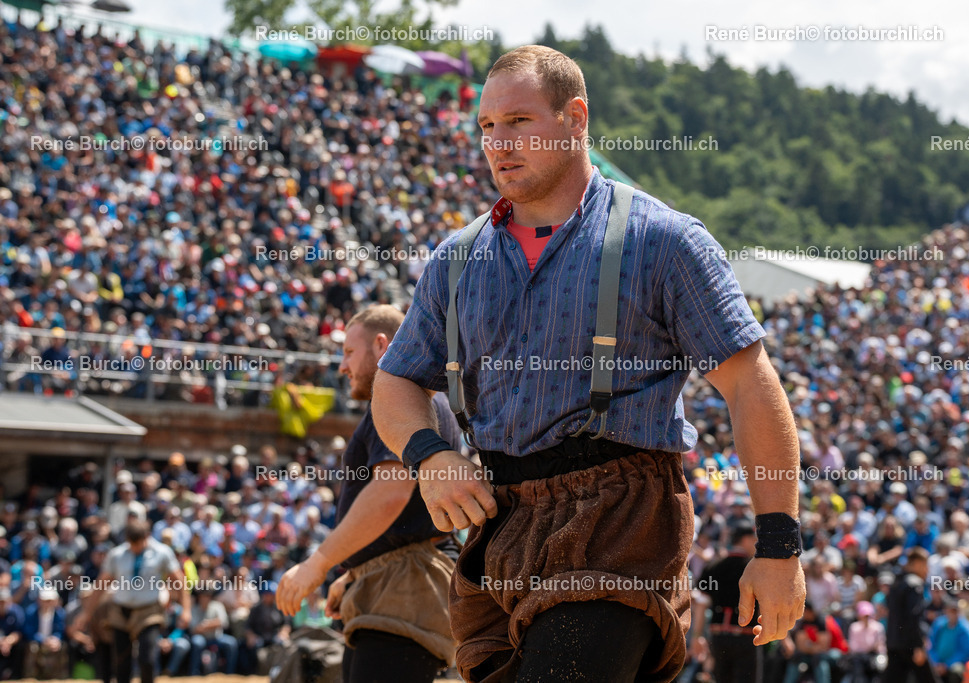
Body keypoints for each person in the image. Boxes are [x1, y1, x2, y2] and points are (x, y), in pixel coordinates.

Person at [370, 44, 806, 682]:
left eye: (519, 122)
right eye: (487, 127)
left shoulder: (665, 241)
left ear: (575, 119)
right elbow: (396, 380)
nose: (499, 142)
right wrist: (430, 457)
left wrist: (779, 547)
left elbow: (748, 385)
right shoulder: (457, 259)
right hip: (499, 522)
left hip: (620, 518)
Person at [276, 304, 460, 682]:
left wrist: (318, 563)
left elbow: (391, 493)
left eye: (348, 352)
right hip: (396, 583)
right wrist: (354, 572)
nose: (342, 367)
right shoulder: (415, 398)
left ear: (381, 345)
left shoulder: (399, 399)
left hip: (406, 587)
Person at [73, 519, 191, 683]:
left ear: (147, 536)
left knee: (147, 659)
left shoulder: (162, 552)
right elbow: (101, 585)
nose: (135, 547)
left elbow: (180, 581)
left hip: (149, 612)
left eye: (139, 542)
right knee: (122, 662)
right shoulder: (117, 555)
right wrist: (86, 613)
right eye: (132, 542)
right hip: (121, 611)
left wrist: (186, 610)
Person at [691, 523, 761, 683]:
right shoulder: (755, 569)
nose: (756, 544)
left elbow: (701, 605)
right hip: (746, 638)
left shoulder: (713, 566)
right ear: (745, 540)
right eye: (754, 539)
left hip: (718, 637)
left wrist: (696, 636)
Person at [885, 547, 936, 683]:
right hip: (910, 645)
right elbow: (914, 617)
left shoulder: (896, 582)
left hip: (894, 643)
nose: (927, 570)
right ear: (918, 563)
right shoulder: (915, 584)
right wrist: (919, 646)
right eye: (926, 565)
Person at [928, 598, 969, 683]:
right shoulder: (939, 624)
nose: (952, 614)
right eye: (950, 611)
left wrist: (946, 665)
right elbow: (931, 646)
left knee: (956, 671)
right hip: (938, 663)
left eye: (955, 611)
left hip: (958, 664)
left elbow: (966, 652)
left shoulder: (966, 628)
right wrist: (936, 662)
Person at [23, 587, 68, 679]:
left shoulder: (60, 614)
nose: (47, 603)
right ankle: (31, 676)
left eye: (50, 600)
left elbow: (60, 630)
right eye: (45, 600)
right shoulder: (31, 612)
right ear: (39, 600)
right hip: (37, 642)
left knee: (62, 648)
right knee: (32, 648)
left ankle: (58, 677)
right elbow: (29, 632)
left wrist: (55, 639)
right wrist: (43, 640)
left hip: (52, 642)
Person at [845, 601, 886, 683]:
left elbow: (881, 647)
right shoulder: (854, 628)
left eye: (868, 616)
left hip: (874, 657)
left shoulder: (878, 627)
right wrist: (870, 647)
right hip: (859, 658)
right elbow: (853, 647)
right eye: (864, 616)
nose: (866, 618)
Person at [0, 588, 25, 680]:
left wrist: (8, 641)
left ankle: (16, 676)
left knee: (21, 647)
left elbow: (19, 632)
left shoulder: (16, 611)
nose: (2, 604)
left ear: (9, 601)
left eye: (4, 601)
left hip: (12, 645)